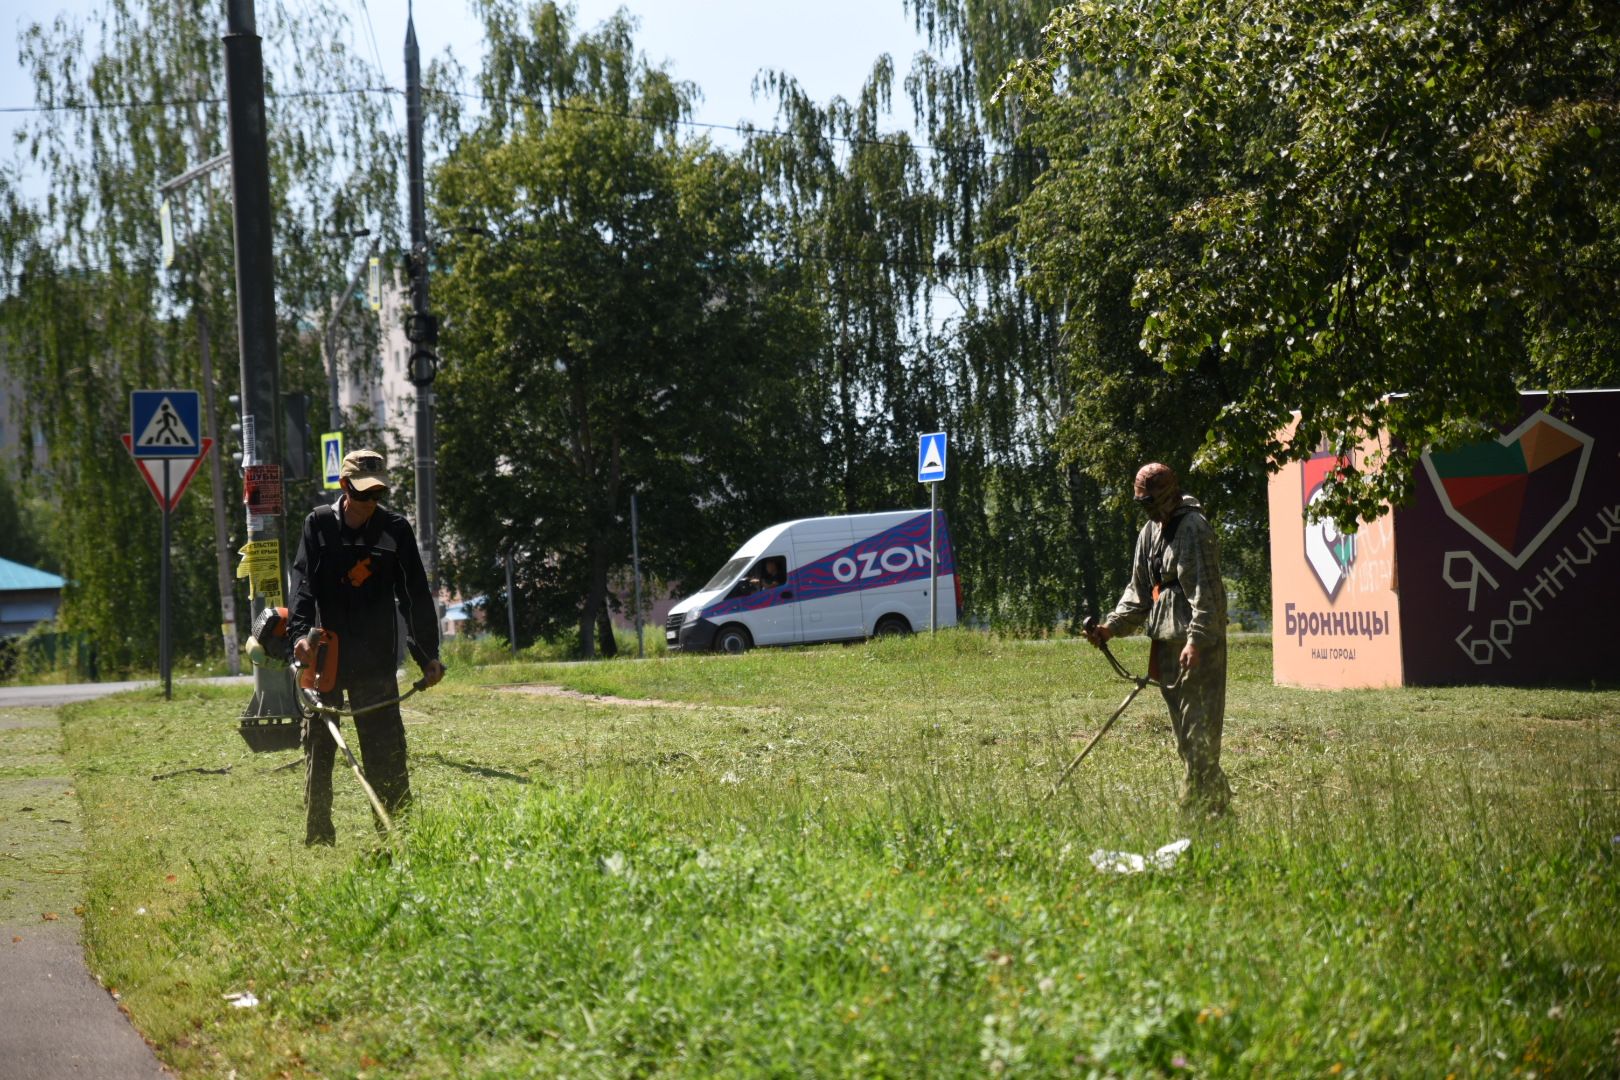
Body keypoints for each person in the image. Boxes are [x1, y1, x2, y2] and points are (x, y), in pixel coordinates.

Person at [289, 449, 445, 845]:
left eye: (376, 494)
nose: (370, 503)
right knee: (320, 751)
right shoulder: (318, 526)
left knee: (386, 757)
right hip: (325, 656)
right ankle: (319, 837)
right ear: (344, 487)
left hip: (375, 660)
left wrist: (428, 655)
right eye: (363, 495)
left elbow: (415, 597)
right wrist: (299, 638)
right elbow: (303, 589)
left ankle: (398, 834)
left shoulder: (395, 530)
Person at [1083, 462, 1231, 815]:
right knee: (1185, 738)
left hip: (1199, 646)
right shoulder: (1149, 533)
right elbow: (1137, 592)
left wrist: (1196, 641)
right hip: (1166, 644)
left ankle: (1197, 812)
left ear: (1168, 495)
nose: (1146, 509)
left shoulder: (1194, 529)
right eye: (1140, 503)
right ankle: (1217, 808)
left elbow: (1207, 594)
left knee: (1200, 734)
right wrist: (1109, 628)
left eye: (1150, 501)